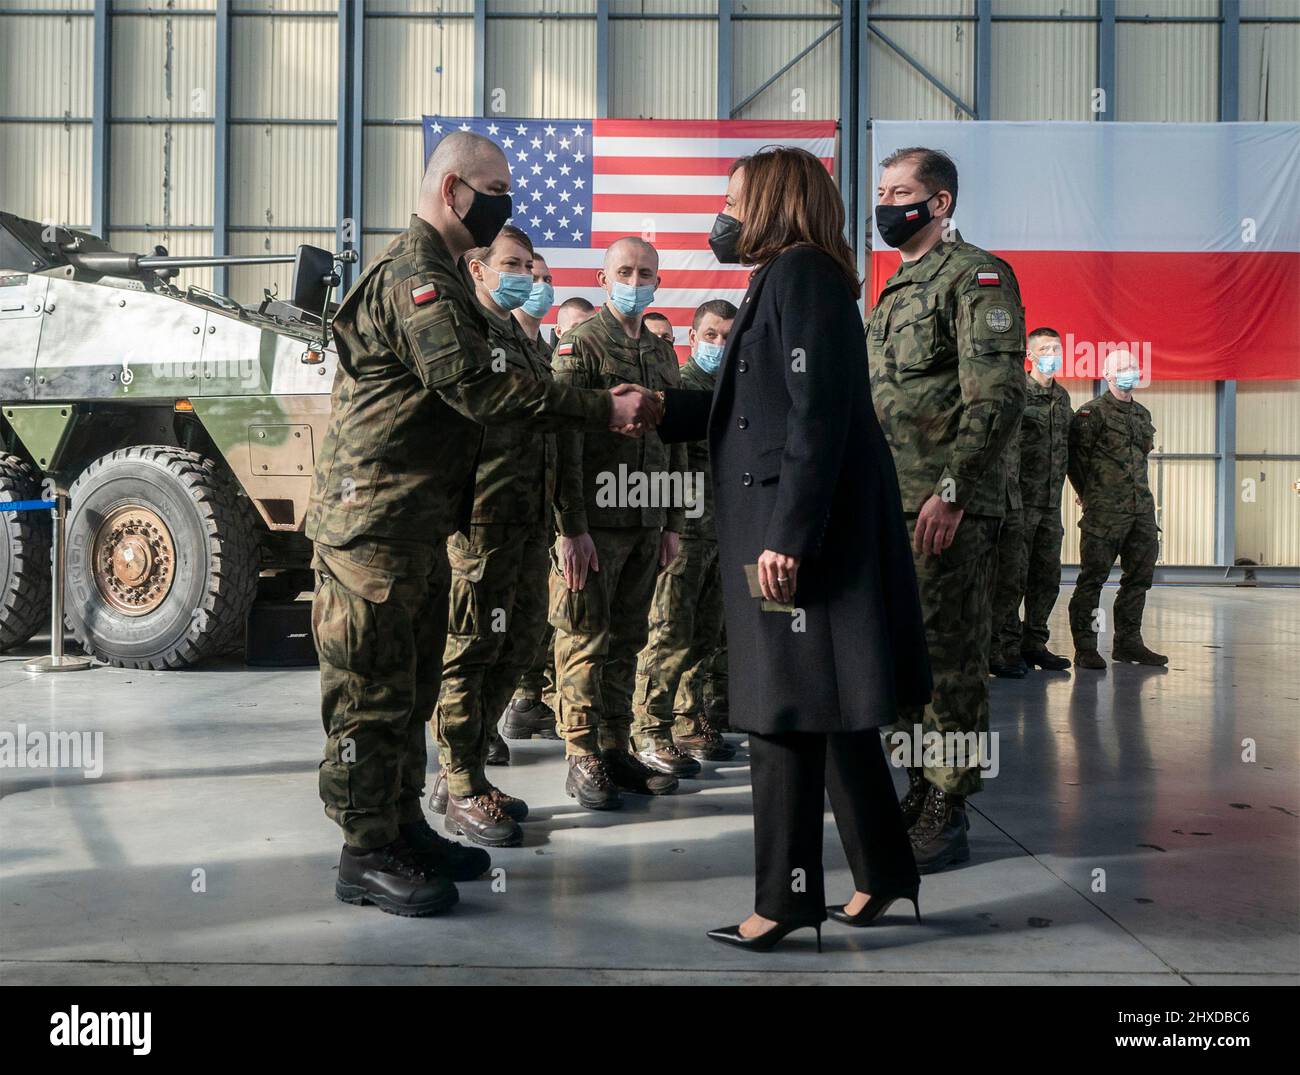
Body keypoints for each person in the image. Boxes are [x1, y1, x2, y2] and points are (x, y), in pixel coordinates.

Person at [307, 131, 661, 917]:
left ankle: (404, 826)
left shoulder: (440, 277)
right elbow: (475, 386)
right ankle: (364, 851)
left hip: (416, 522)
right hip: (373, 525)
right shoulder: (415, 278)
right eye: (494, 187)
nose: (507, 201)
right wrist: (598, 403)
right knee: (369, 693)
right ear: (451, 191)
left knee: (409, 686)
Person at [657, 146, 932, 952]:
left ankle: (785, 901)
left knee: (780, 713)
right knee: (836, 710)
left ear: (774, 203)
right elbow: (757, 405)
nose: (726, 215)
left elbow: (817, 418)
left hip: (794, 540)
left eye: (737, 200)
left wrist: (788, 538)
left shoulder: (802, 275)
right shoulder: (790, 278)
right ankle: (885, 874)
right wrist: (661, 411)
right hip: (802, 531)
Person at [867, 146, 1026, 874]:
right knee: (903, 658)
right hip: (893, 506)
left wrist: (953, 491)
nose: (886, 203)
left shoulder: (977, 276)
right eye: (881, 191)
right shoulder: (895, 289)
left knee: (948, 660)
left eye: (901, 192)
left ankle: (949, 803)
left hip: (946, 507)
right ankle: (917, 786)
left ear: (940, 203)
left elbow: (995, 395)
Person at [550, 236, 692, 805]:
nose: (637, 283)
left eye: (647, 273)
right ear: (604, 281)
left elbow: (677, 436)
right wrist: (570, 528)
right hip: (593, 520)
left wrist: (674, 520)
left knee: (630, 637)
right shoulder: (579, 345)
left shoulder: (662, 354)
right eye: (626, 272)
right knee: (584, 635)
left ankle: (613, 746)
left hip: (647, 515)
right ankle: (582, 754)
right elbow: (559, 440)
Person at [427, 226, 556, 848]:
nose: (525, 277)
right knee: (469, 650)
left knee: (522, 641)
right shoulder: (464, 333)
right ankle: (458, 783)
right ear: (476, 269)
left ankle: (471, 764)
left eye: (530, 267)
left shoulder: (523, 341)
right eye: (511, 264)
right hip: (477, 525)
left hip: (528, 520)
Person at [632, 300, 738, 764]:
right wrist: (666, 525)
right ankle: (649, 728)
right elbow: (667, 460)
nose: (719, 344)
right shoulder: (678, 387)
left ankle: (689, 718)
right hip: (686, 532)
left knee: (707, 634)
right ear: (692, 338)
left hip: (726, 533)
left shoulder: (740, 391)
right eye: (711, 335)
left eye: (728, 337)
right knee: (669, 632)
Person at [503, 294, 598, 740]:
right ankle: (518, 706)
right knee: (493, 636)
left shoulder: (543, 361)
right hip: (506, 514)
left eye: (543, 278)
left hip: (549, 512)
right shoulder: (505, 353)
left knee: (537, 620)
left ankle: (528, 703)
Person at [1067, 348, 1167, 669]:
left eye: (1134, 367)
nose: (1130, 372)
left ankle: (1128, 643)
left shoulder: (1142, 415)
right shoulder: (1090, 414)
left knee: (1139, 579)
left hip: (1141, 514)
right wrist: (1090, 495)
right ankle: (1086, 647)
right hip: (1104, 515)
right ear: (1108, 374)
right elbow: (1076, 462)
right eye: (1123, 368)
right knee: (1093, 579)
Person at [991, 327, 1073, 673]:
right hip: (1019, 504)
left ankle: (1034, 642)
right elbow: (1004, 448)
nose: (1053, 352)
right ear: (1030, 355)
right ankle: (1003, 649)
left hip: (1051, 505)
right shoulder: (1017, 393)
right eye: (1046, 348)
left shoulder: (1063, 397)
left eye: (1057, 347)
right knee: (1012, 578)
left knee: (1046, 577)